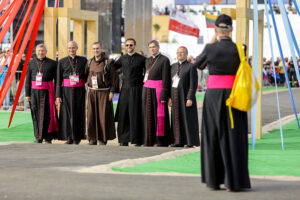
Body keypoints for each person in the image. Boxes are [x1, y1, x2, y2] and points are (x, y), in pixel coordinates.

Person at [193, 14, 251, 191]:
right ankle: (234, 181)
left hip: (213, 96)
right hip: (234, 95)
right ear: (231, 29)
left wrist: (212, 41)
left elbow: (198, 64)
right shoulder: (241, 48)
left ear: (216, 30)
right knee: (235, 136)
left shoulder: (210, 48)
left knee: (212, 136)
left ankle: (213, 180)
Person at [85, 42, 119, 145]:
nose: (96, 50)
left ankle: (102, 138)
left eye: (98, 48)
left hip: (104, 93)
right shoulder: (89, 62)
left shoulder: (108, 62)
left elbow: (114, 78)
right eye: (94, 49)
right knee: (91, 115)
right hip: (91, 92)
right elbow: (86, 74)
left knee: (103, 116)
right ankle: (92, 138)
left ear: (101, 49)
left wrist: (112, 91)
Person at [114, 38, 146, 146]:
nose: (129, 47)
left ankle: (137, 139)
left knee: (136, 114)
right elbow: (112, 69)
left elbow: (147, 73)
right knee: (123, 114)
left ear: (135, 46)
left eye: (131, 45)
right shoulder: (122, 58)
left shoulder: (142, 59)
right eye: (127, 45)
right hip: (125, 89)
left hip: (137, 89)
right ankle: (123, 139)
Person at [25, 44, 58, 143]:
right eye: (39, 51)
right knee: (35, 113)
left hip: (48, 92)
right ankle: (38, 137)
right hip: (34, 92)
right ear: (36, 51)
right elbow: (28, 79)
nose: (40, 52)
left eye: (42, 51)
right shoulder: (30, 63)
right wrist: (27, 94)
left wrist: (57, 95)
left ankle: (48, 137)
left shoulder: (53, 63)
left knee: (48, 114)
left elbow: (56, 80)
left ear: (46, 52)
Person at [56, 41, 87, 145]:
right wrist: (58, 95)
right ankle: (68, 137)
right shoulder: (62, 61)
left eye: (73, 48)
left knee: (78, 114)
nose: (71, 50)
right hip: (66, 92)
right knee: (66, 115)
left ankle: (77, 137)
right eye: (69, 48)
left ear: (76, 49)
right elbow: (58, 80)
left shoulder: (83, 60)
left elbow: (87, 76)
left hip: (79, 91)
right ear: (67, 49)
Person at [142, 40, 172, 147]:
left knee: (159, 116)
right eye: (150, 47)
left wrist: (165, 95)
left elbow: (166, 79)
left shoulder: (164, 60)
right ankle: (148, 140)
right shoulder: (148, 60)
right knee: (148, 115)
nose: (152, 49)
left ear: (158, 47)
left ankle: (160, 141)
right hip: (147, 90)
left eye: (154, 47)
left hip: (158, 91)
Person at [168, 46, 199, 147]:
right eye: (178, 52)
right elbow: (169, 83)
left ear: (186, 54)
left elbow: (193, 84)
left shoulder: (191, 66)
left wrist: (190, 97)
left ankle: (189, 142)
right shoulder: (172, 67)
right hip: (175, 96)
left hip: (185, 97)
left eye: (182, 52)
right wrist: (169, 97)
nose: (179, 54)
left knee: (187, 119)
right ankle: (177, 141)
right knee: (176, 119)